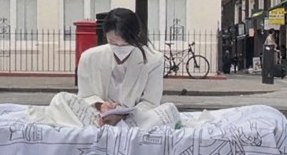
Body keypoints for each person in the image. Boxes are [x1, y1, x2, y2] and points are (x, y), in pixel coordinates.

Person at [30, 7, 180, 128]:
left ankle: (101, 129)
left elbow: (150, 103)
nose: (119, 48)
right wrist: (101, 106)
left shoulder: (153, 60)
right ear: (106, 36)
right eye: (113, 42)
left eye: (125, 44)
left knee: (168, 110)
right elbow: (85, 95)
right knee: (61, 99)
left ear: (137, 36)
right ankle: (94, 129)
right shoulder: (90, 57)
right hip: (97, 116)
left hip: (134, 119)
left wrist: (122, 115)